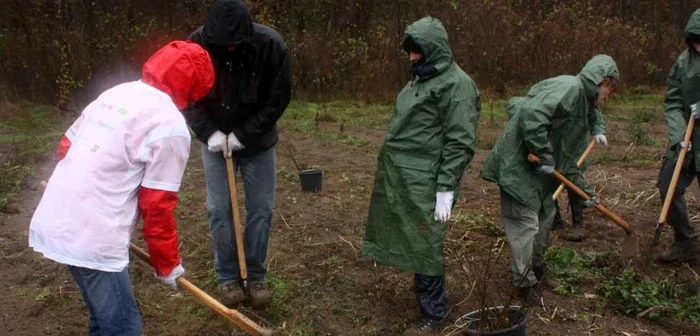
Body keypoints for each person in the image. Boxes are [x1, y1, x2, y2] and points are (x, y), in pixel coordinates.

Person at [28, 41, 215, 335]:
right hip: (92, 237)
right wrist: (167, 265)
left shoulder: (117, 93)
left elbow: (66, 146)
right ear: (192, 89)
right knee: (123, 328)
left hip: (57, 218)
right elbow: (157, 205)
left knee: (104, 320)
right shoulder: (169, 125)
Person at [361, 17, 481, 334]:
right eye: (410, 52)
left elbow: (460, 141)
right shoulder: (422, 79)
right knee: (414, 237)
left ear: (434, 50)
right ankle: (426, 295)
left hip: (430, 179)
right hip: (405, 175)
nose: (412, 58)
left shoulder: (457, 86)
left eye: (418, 52)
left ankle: (434, 312)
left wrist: (445, 188)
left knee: (426, 240)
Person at [481, 54, 619, 303]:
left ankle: (538, 269)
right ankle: (523, 284)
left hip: (542, 173)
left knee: (545, 219)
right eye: (611, 89)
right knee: (524, 225)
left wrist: (586, 192)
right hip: (519, 165)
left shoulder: (584, 101)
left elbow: (569, 160)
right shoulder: (569, 88)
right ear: (604, 82)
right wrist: (544, 155)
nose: (609, 95)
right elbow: (531, 115)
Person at [184, 0, 291, 307]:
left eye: (235, 45)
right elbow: (188, 96)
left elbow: (278, 97)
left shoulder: (270, 45)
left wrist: (244, 134)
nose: (229, 49)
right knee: (219, 209)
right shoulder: (196, 45)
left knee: (260, 210)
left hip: (258, 144)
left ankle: (255, 276)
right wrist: (209, 133)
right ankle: (228, 277)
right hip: (215, 141)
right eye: (223, 45)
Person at [656, 8, 700, 263]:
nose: (699, 47)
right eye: (695, 42)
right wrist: (678, 135)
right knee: (667, 186)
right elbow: (672, 102)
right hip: (688, 139)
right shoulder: (682, 63)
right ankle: (686, 241)